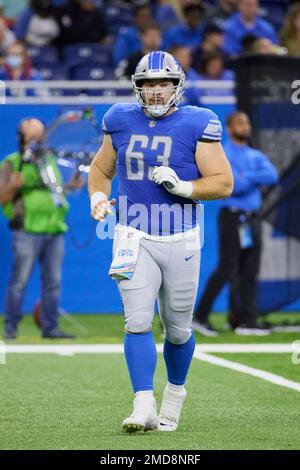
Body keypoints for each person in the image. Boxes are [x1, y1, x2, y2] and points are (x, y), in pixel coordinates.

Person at [88, 50, 233, 432]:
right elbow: (101, 170)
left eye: (163, 83)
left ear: (177, 85)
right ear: (138, 87)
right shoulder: (118, 118)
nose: (155, 91)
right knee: (137, 320)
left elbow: (223, 182)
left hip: (181, 236)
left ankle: (174, 395)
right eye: (148, 84)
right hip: (132, 234)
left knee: (178, 328)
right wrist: (97, 197)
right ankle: (143, 403)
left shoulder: (199, 121)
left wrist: (184, 185)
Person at [192, 111, 278, 337]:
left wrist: (245, 175)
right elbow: (232, 186)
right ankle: (199, 317)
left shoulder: (254, 154)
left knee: (249, 270)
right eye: (240, 123)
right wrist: (248, 179)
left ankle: (245, 321)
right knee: (227, 268)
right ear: (229, 129)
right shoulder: (224, 153)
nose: (245, 126)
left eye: (247, 122)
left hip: (252, 219)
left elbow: (272, 175)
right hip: (232, 216)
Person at [0, 118, 83, 339]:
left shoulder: (49, 163)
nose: (38, 142)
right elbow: (2, 197)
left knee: (53, 283)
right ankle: (11, 329)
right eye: (32, 137)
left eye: (40, 137)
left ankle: (50, 328)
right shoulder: (12, 162)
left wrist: (71, 186)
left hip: (54, 228)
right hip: (27, 229)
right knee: (19, 281)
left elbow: (56, 192)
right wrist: (11, 186)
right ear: (21, 139)